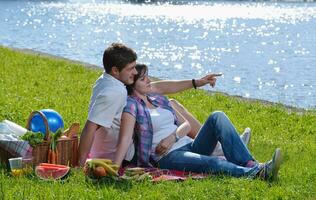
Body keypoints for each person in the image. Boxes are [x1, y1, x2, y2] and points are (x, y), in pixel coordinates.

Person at [114, 64, 283, 181]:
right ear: (132, 85)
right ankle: (258, 174)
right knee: (215, 163)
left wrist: (173, 136)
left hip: (187, 144)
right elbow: (124, 137)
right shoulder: (132, 106)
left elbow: (186, 124)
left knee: (218, 116)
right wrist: (114, 168)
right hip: (167, 156)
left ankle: (251, 164)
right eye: (143, 79)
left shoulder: (158, 99)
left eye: (148, 77)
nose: (149, 81)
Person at [78, 43, 221, 166]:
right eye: (130, 69)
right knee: (165, 110)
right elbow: (90, 127)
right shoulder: (115, 92)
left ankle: (217, 147)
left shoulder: (105, 79)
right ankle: (215, 148)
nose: (134, 71)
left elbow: (158, 88)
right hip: (125, 155)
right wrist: (80, 164)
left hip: (114, 149)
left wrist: (196, 82)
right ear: (115, 70)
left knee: (171, 103)